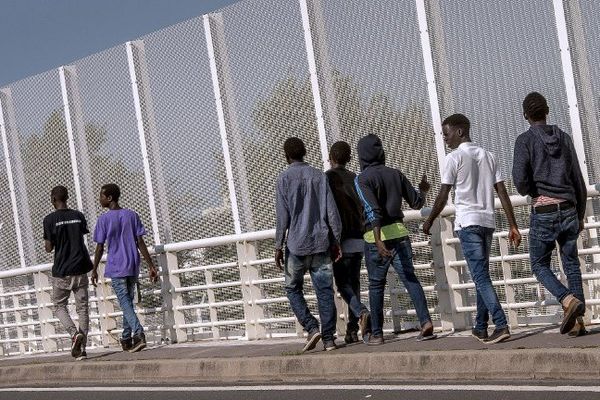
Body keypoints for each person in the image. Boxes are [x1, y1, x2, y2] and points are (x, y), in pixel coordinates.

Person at [423, 114, 521, 344]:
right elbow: (502, 192)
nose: (444, 138)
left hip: (468, 223)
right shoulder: (489, 156)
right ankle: (480, 327)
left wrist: (429, 221)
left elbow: (443, 195)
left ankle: (501, 323)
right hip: (487, 222)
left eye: (446, 133)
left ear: (459, 132)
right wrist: (513, 224)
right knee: (481, 276)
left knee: (479, 276)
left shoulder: (453, 158)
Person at [512, 92, 588, 336]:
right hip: (568, 209)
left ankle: (567, 300)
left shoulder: (524, 141)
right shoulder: (564, 138)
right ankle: (579, 323)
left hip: (544, 210)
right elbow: (578, 180)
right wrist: (580, 215)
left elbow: (521, 184)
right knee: (571, 263)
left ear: (525, 115)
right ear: (547, 111)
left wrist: (535, 188)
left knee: (538, 264)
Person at [354, 134, 435, 345]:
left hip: (375, 238)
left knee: (376, 285)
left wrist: (379, 240)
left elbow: (372, 211)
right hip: (400, 233)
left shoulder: (362, 179)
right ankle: (425, 322)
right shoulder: (395, 174)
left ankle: (377, 334)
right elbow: (416, 203)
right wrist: (423, 190)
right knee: (410, 279)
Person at [275, 137, 342, 352]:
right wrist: (336, 240)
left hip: (295, 246)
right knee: (324, 291)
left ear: (286, 156)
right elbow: (332, 212)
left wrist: (278, 245)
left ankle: (312, 327)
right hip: (321, 243)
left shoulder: (283, 179)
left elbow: (282, 218)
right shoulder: (319, 176)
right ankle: (329, 339)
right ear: (305, 152)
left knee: (292, 288)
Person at [91, 183, 158, 353]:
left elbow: (99, 247)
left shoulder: (103, 220)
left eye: (101, 196)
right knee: (127, 302)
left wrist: (94, 269)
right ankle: (126, 338)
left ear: (109, 198)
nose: (100, 199)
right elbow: (140, 242)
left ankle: (139, 333)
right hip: (133, 264)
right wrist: (151, 265)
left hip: (116, 266)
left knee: (124, 302)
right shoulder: (132, 215)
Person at [326, 141, 371, 344]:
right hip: (359, 237)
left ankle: (361, 311)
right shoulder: (355, 178)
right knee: (354, 283)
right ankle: (352, 331)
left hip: (339, 239)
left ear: (330, 158)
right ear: (350, 158)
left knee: (342, 285)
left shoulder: (327, 179)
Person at [43, 185, 93, 360]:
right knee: (83, 309)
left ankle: (74, 334)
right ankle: (82, 349)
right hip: (81, 267)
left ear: (53, 199)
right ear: (67, 197)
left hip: (62, 270)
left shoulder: (49, 219)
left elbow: (49, 248)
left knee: (59, 305)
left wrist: (52, 239)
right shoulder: (78, 216)